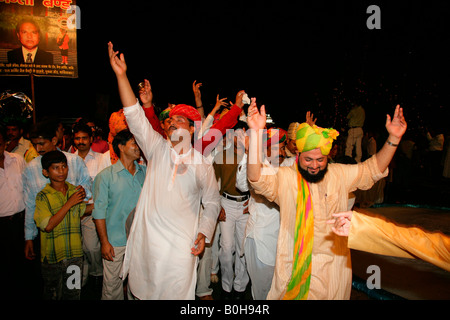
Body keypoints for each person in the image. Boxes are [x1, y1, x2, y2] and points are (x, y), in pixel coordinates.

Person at [246, 97, 407, 299]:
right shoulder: (286, 178)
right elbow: (256, 177)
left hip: (333, 272)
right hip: (293, 271)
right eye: (308, 160)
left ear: (327, 157)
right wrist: (255, 134)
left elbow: (372, 169)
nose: (314, 165)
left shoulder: (338, 174)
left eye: (320, 160)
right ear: (298, 155)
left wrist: (393, 139)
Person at [108, 41, 220, 300]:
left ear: (191, 129)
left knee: (177, 293)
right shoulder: (156, 149)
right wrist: (121, 75)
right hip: (149, 242)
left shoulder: (202, 164)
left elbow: (212, 202)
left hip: (182, 245)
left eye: (179, 120)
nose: (171, 123)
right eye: (169, 120)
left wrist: (204, 232)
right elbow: (133, 114)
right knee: (143, 290)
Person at [236, 127, 295, 300]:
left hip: (285, 240)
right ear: (265, 149)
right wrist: (249, 153)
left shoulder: (289, 166)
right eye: (277, 147)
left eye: (283, 147)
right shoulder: (258, 167)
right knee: (262, 292)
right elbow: (240, 184)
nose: (282, 152)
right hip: (260, 240)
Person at [23, 120, 92, 263]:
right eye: (35, 144)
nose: (38, 148)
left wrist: (83, 194)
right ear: (45, 172)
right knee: (53, 278)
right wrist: (29, 237)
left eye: (42, 143)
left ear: (54, 140)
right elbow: (30, 205)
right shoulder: (31, 168)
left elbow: (86, 190)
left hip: (73, 232)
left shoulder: (73, 162)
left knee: (73, 277)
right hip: (47, 237)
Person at [92, 129, 146, 300]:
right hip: (115, 241)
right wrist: (104, 242)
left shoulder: (145, 173)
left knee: (138, 284)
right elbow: (99, 212)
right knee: (112, 286)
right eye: (134, 143)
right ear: (121, 147)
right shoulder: (106, 176)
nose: (138, 147)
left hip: (140, 240)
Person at [34, 150, 86, 300]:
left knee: (73, 293)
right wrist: (69, 203)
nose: (61, 171)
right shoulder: (43, 196)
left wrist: (102, 204)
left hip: (75, 255)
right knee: (53, 294)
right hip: (53, 257)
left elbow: (81, 210)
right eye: (55, 168)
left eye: (64, 166)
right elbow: (48, 226)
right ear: (45, 172)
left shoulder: (73, 190)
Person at [213, 125, 250, 299]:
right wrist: (217, 205)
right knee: (227, 248)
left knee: (243, 248)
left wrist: (254, 203)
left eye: (243, 134)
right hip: (226, 203)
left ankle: (240, 288)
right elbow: (212, 183)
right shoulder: (221, 156)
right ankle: (226, 286)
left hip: (246, 205)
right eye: (236, 134)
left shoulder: (253, 156)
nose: (240, 137)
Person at [72, 122, 104, 288]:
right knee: (77, 251)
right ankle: (79, 283)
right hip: (72, 212)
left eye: (84, 138)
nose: (81, 141)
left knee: (92, 248)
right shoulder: (69, 160)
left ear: (91, 139)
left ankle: (97, 276)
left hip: (91, 211)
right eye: (77, 138)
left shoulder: (100, 159)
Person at [0, 126, 27, 299]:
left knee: (22, 265)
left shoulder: (17, 159)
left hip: (21, 221)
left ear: (4, 142)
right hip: (1, 226)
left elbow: (28, 188)